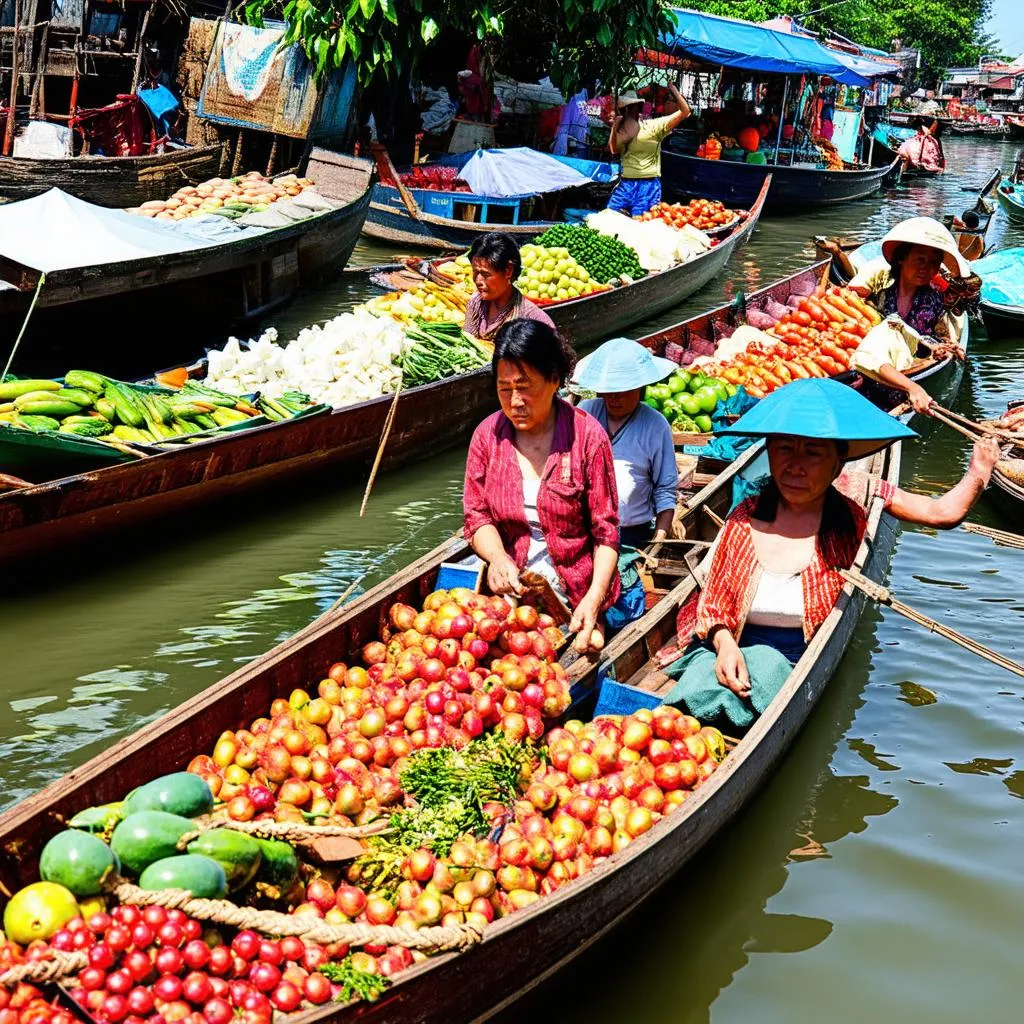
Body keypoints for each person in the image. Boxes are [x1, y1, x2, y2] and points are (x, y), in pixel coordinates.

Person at [663, 378, 1000, 727]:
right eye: (784, 449)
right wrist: (725, 645)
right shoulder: (744, 516)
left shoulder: (858, 495)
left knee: (766, 668)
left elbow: (939, 514)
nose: (795, 465)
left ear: (837, 464)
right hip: (733, 650)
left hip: (790, 662)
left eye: (812, 453)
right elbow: (715, 599)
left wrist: (978, 472)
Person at [463, 319, 620, 653]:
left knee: (584, 647)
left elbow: (606, 534)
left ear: (554, 380)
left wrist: (593, 601)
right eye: (504, 388)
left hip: (577, 593)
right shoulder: (486, 437)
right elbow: (477, 517)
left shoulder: (588, 437)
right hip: (510, 594)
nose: (515, 401)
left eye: (525, 387)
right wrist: (498, 559)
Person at [821, 218, 971, 416]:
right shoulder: (880, 293)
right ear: (901, 259)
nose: (926, 268)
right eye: (920, 260)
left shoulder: (933, 300)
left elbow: (922, 338)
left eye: (933, 263)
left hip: (898, 377)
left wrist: (940, 347)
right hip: (869, 369)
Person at [574, 337, 679, 548]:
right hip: (585, 529)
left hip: (633, 534)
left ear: (640, 388)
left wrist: (659, 538)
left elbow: (665, 488)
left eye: (622, 391)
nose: (614, 398)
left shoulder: (655, 425)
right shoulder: (586, 412)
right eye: (609, 391)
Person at [607, 83, 691, 216]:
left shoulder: (653, 126)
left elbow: (685, 111)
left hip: (648, 185)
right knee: (609, 218)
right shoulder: (621, 131)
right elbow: (614, 151)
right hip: (626, 183)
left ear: (637, 109)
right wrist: (614, 127)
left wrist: (674, 91)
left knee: (641, 223)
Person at [462, 232, 555, 341]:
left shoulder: (534, 320)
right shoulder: (475, 304)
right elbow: (466, 344)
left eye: (486, 274)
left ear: (508, 271)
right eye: (475, 272)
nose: (478, 280)